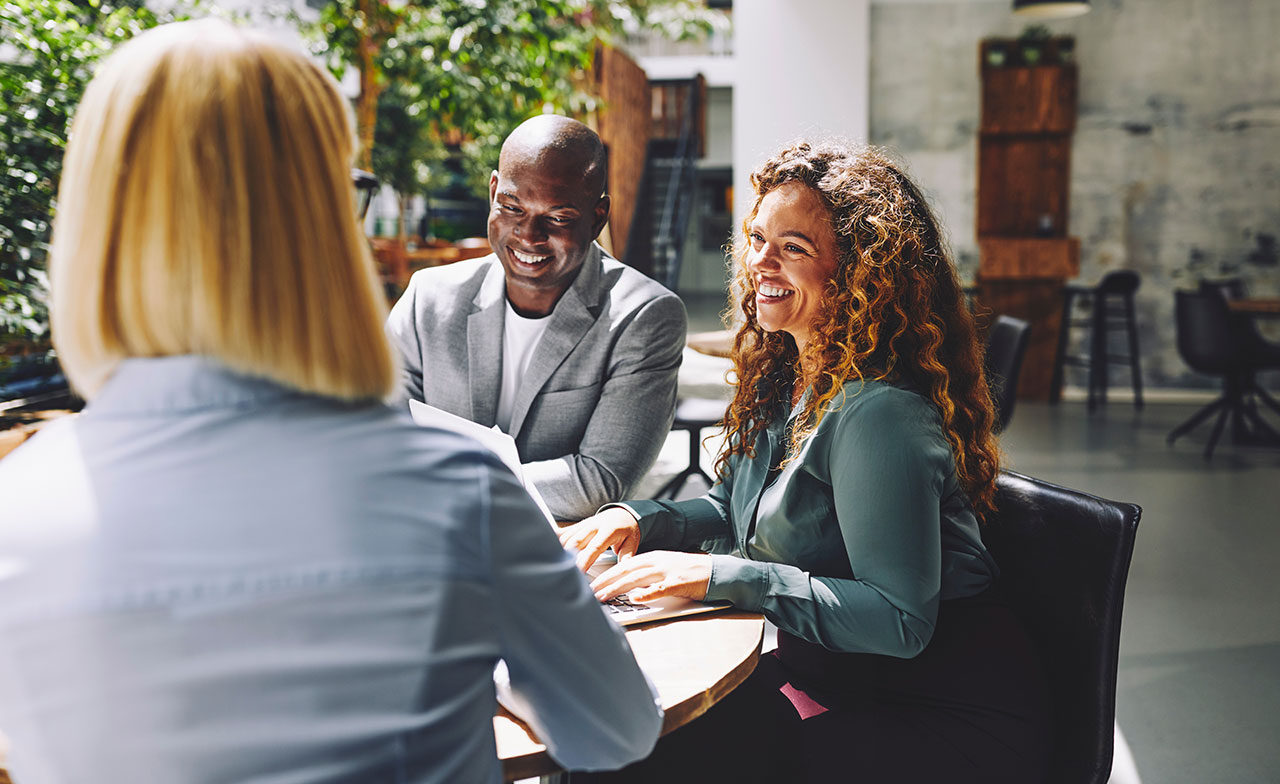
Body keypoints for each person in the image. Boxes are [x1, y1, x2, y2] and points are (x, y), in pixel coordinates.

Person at [0, 20, 661, 783]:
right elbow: (616, 729)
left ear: (95, 221)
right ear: (319, 218)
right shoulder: (459, 484)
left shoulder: (19, 507)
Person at [560, 141, 1051, 783]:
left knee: (638, 756)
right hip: (849, 682)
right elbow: (730, 508)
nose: (760, 261)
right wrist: (634, 518)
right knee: (617, 734)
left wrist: (719, 574)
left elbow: (900, 621)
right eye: (758, 238)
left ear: (859, 272)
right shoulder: (790, 376)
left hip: (944, 716)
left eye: (793, 247)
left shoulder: (879, 415)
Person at [385, 115, 687, 522]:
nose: (528, 235)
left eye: (558, 218)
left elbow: (599, 479)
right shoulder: (429, 299)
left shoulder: (644, 316)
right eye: (512, 208)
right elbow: (382, 435)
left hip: (556, 553)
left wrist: (446, 488)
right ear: (493, 192)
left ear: (597, 217)